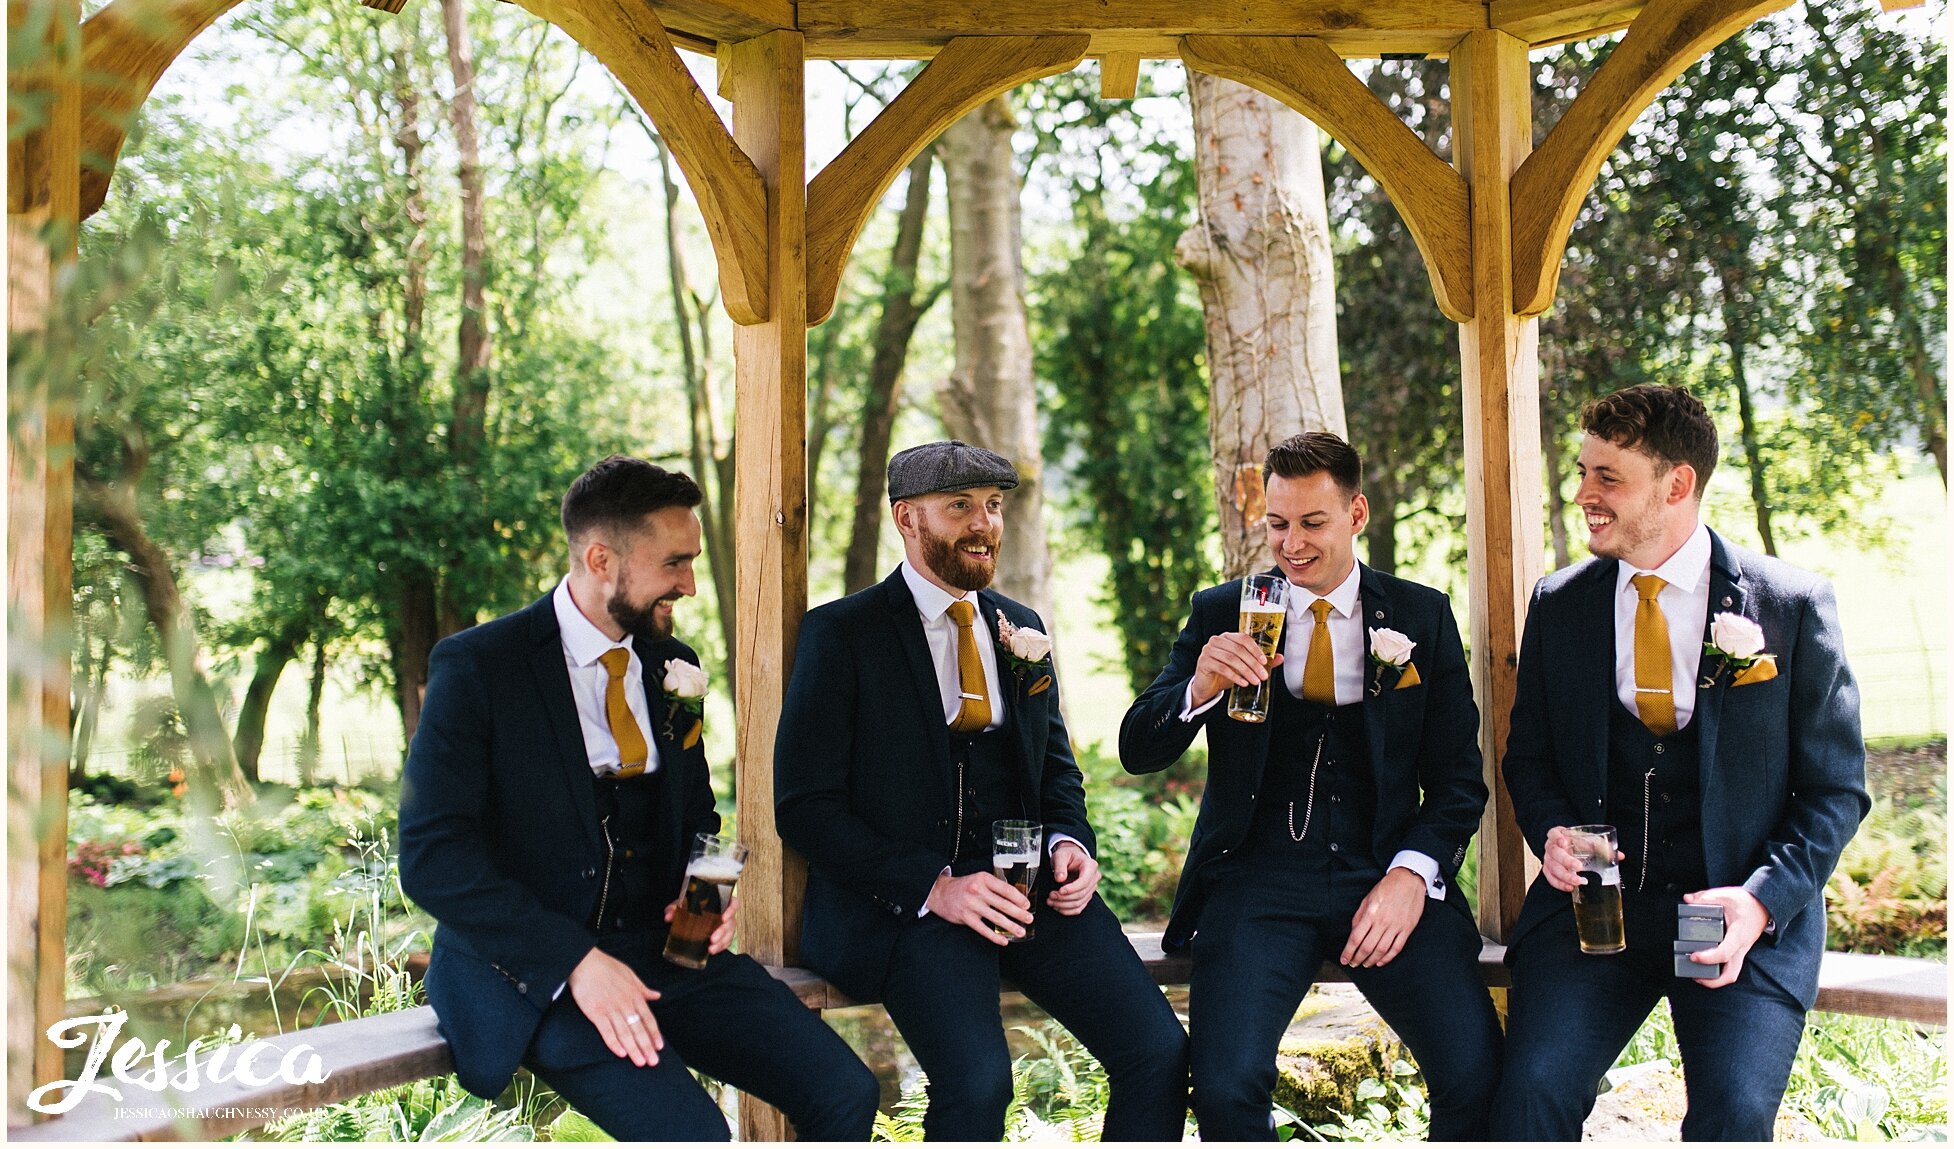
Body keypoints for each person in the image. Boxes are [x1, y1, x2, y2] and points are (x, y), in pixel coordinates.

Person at [399, 456, 879, 1141]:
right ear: (601, 558)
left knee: (844, 1090)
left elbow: (696, 816)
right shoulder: (480, 667)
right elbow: (430, 858)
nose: (688, 583)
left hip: (668, 955)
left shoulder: (668, 663)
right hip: (535, 976)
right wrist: (576, 962)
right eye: (674, 563)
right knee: (697, 1137)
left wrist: (704, 898)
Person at [775, 440, 1189, 1141]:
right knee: (978, 1083)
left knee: (1159, 1051)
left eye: (994, 506)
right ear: (908, 519)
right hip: (910, 908)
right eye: (960, 505)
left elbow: (1057, 771)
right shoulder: (842, 633)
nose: (983, 523)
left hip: (1029, 895)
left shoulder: (1020, 628)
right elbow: (803, 806)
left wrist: (1069, 844)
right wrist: (935, 885)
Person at [1493, 384, 1870, 1140]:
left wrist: (1761, 900)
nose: (1583, 494)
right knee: (1530, 1096)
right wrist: (1554, 832)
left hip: (1733, 916)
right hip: (1598, 917)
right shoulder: (1559, 604)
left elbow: (1835, 792)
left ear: (1677, 483)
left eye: (1608, 477)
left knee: (1732, 1116)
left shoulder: (1790, 606)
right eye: (1582, 471)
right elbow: (1527, 756)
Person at [1120, 432, 1501, 1141]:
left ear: (1356, 514)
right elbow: (1137, 747)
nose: (1290, 544)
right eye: (1277, 522)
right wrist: (1199, 685)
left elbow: (1457, 782)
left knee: (1476, 1074)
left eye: (1311, 522)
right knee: (1228, 1087)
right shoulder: (1222, 611)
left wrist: (1411, 876)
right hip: (1257, 881)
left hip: (1381, 872)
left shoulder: (1419, 616)